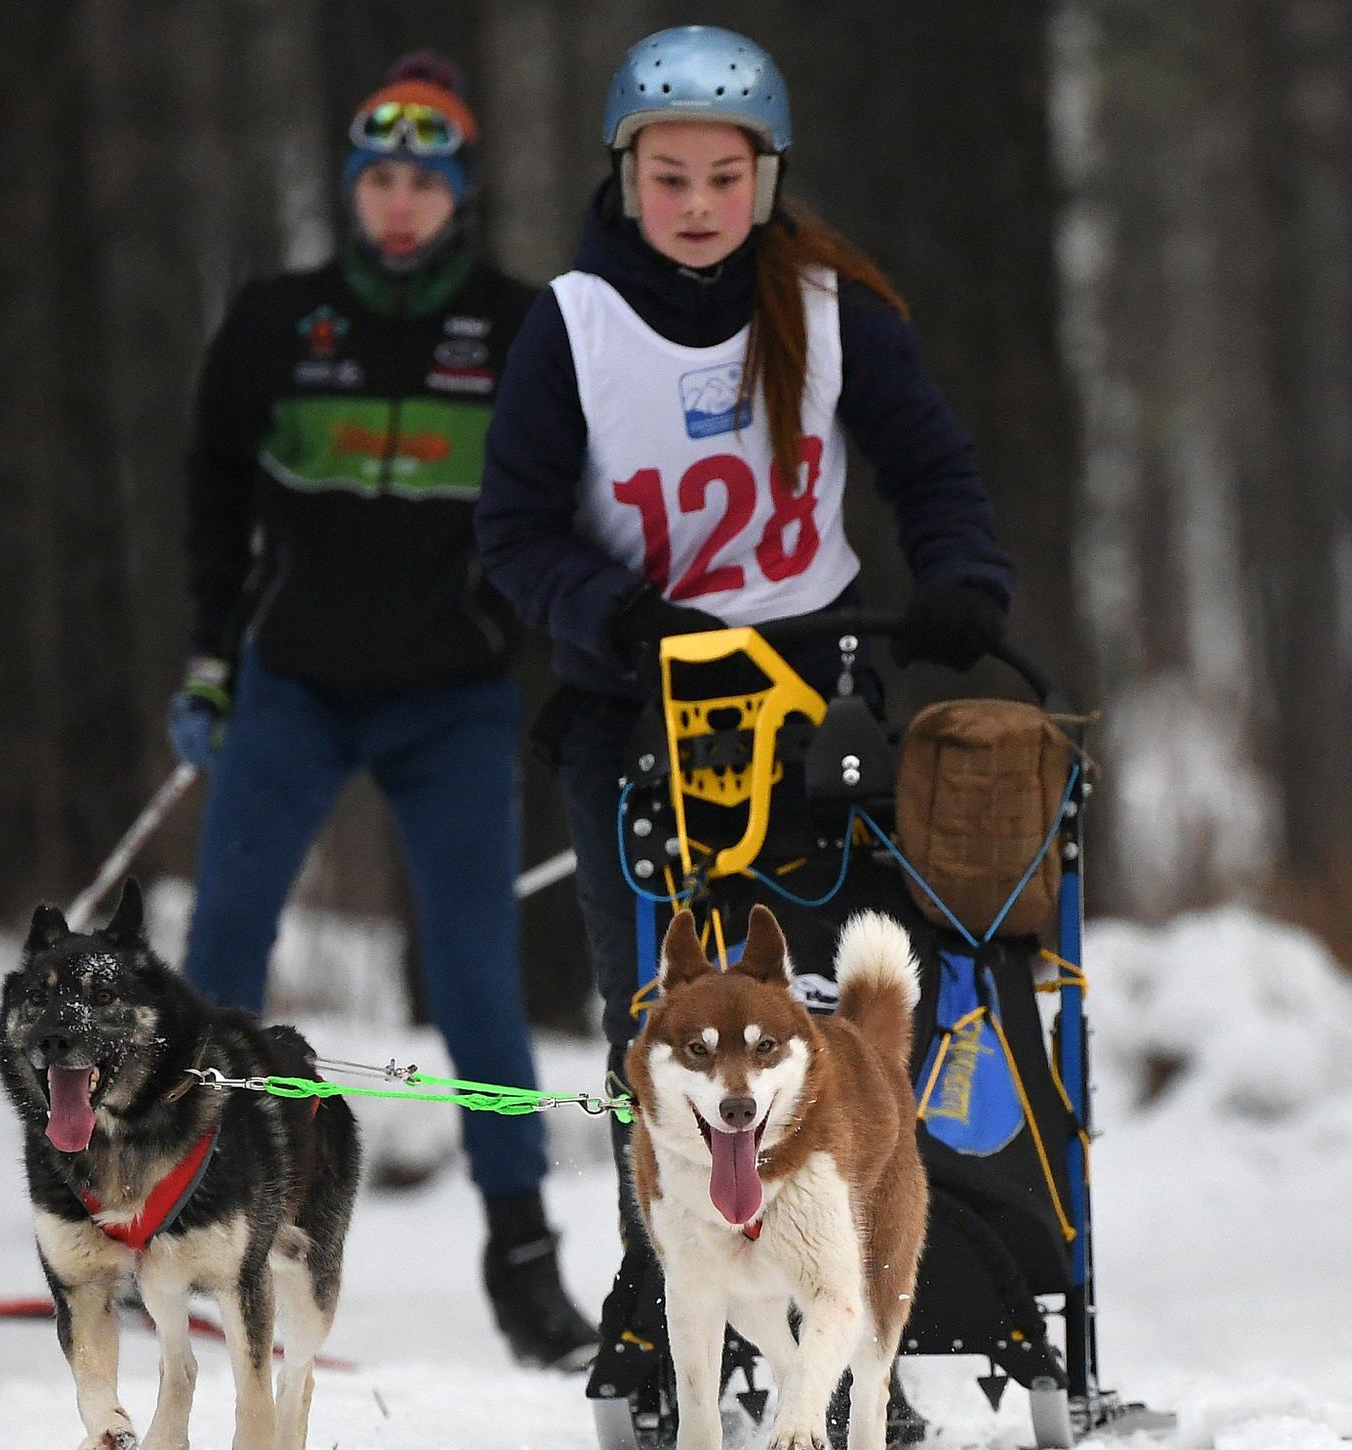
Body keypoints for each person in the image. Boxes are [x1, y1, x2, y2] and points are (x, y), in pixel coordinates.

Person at [474, 22, 1014, 1434]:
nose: (698, 203)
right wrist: (612, 609)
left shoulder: (834, 311)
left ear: (765, 180)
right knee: (651, 1024)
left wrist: (962, 577)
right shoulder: (573, 325)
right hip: (637, 709)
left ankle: (841, 1331)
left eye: (725, 175)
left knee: (816, 1031)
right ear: (627, 175)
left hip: (814, 699)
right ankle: (666, 1314)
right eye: (670, 176)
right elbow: (515, 532)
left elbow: (932, 469)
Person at [166, 52, 597, 1371]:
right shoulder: (280, 321)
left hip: (450, 701)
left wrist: (545, 652)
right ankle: (175, 1223)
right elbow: (213, 486)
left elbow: (570, 502)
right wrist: (209, 654)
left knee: (475, 977)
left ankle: (523, 1258)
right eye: (378, 179)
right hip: (293, 684)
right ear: (352, 191)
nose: (399, 203)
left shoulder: (525, 329)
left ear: (457, 194)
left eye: (424, 179)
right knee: (223, 953)